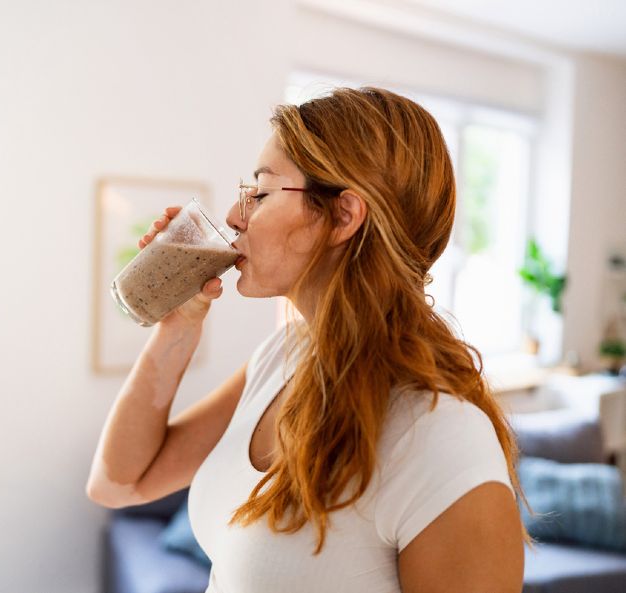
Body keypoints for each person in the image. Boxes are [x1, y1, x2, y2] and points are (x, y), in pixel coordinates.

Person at [87, 87, 529, 592]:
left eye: (262, 191)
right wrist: (180, 324)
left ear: (343, 216)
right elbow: (119, 483)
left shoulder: (438, 437)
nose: (234, 215)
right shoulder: (282, 358)